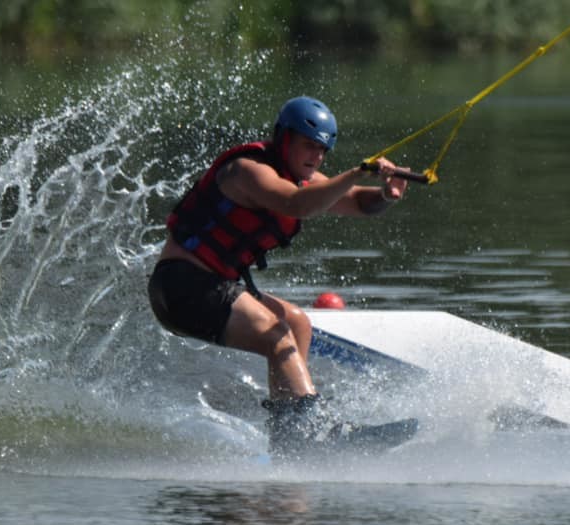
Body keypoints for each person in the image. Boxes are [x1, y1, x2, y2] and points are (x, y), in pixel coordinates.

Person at [148, 96, 411, 457]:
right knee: (277, 336)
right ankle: (316, 433)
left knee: (297, 323)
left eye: (322, 151)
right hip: (182, 285)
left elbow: (359, 203)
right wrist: (355, 172)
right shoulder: (248, 171)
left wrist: (386, 193)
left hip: (213, 284)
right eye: (308, 146)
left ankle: (289, 443)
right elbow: (294, 204)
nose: (316, 158)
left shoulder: (304, 180)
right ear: (283, 139)